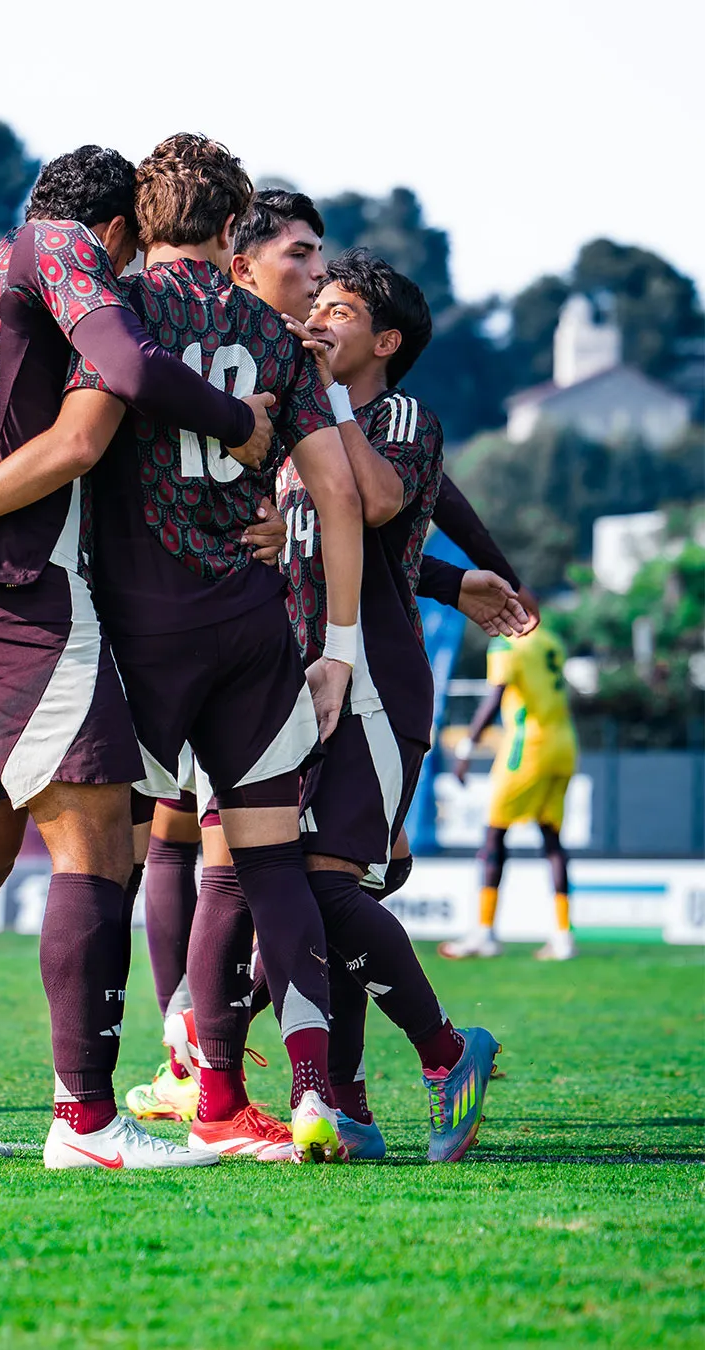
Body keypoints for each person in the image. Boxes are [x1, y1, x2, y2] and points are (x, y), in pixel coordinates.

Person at [0, 145, 273, 1170]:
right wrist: (240, 425)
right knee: (95, 842)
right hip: (19, 597)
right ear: (117, 230)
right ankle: (88, 1125)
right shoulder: (59, 251)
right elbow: (105, 406)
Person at [66, 136, 366, 1165]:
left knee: (116, 858)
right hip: (249, 623)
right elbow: (337, 495)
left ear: (143, 219)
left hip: (142, 628)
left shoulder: (115, 316)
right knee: (270, 862)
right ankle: (312, 1090)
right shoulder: (270, 333)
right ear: (232, 221)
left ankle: (116, 1105)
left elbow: (75, 450)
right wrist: (338, 645)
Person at [271, 246, 501, 1162]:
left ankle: (449, 1054)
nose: (318, 316)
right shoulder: (301, 413)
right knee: (307, 895)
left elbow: (368, 508)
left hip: (372, 677)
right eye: (314, 302)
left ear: (386, 340)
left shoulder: (398, 414)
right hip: (293, 676)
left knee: (325, 884)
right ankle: (351, 1106)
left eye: (340, 310)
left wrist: (326, 398)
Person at [440, 625, 578, 961]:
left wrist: (467, 747)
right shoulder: (550, 639)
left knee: (493, 835)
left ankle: (484, 933)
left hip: (527, 748)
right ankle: (563, 938)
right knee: (552, 838)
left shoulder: (506, 644)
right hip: (564, 744)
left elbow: (495, 696)